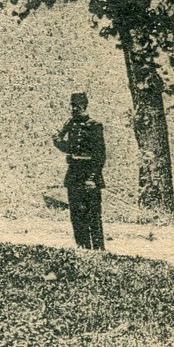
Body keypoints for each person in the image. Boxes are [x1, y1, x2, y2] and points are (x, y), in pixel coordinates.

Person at [53, 92, 106, 251]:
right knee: (76, 214)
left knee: (93, 214)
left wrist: (91, 178)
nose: (74, 109)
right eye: (72, 105)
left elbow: (100, 155)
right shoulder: (72, 124)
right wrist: (57, 142)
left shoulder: (95, 126)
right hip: (74, 174)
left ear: (85, 106)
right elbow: (70, 148)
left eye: (77, 106)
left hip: (89, 174)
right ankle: (82, 246)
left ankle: (98, 249)